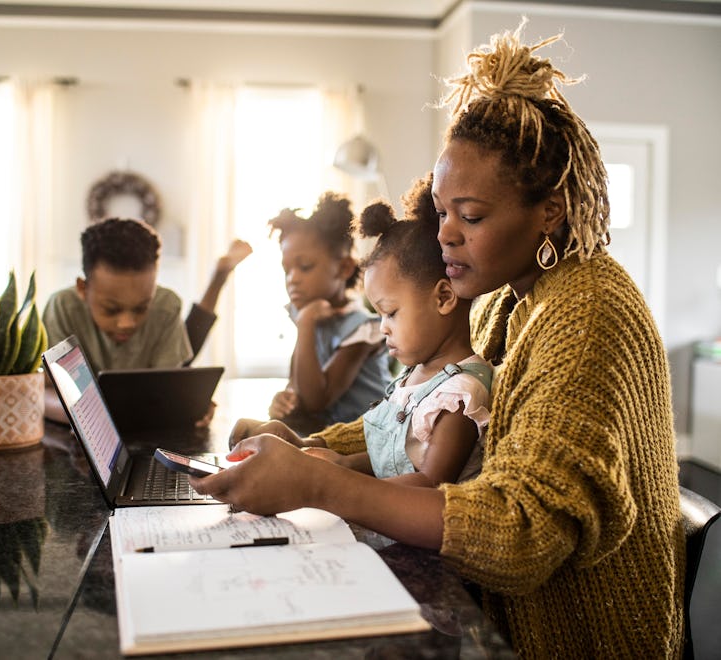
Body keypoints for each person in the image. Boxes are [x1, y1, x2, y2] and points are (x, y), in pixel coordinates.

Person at [190, 21, 684, 658]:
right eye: (443, 211)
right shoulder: (505, 296)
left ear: (551, 211)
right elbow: (417, 410)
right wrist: (310, 448)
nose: (446, 233)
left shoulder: (588, 315)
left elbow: (522, 532)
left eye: (471, 215)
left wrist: (318, 483)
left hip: (576, 637)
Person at [299, 174, 492, 487]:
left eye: (390, 313)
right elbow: (393, 458)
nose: (383, 328)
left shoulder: (459, 395)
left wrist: (336, 481)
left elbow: (428, 484)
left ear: (444, 298)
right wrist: (341, 463)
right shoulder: (415, 375)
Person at [43, 217, 251, 423]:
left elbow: (169, 386)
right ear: (83, 289)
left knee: (186, 353)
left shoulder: (166, 304)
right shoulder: (62, 307)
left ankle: (219, 277)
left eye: (141, 308)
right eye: (111, 309)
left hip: (158, 379)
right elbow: (40, 392)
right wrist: (85, 415)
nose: (127, 323)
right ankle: (219, 276)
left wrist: (187, 404)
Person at [266, 191, 391, 432]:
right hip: (325, 435)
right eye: (287, 270)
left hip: (367, 440)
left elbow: (316, 400)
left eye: (305, 267)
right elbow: (298, 387)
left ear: (344, 268)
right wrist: (285, 400)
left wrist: (305, 324)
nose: (292, 279)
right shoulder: (306, 315)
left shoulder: (363, 329)